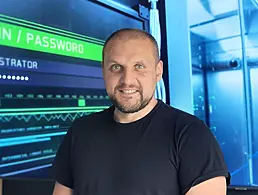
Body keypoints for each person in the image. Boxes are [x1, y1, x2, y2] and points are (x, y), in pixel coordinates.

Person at [52, 28, 230, 195]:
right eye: (116, 67)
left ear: (158, 71)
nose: (127, 80)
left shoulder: (191, 135)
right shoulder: (80, 131)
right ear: (104, 71)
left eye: (139, 66)